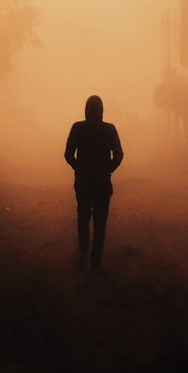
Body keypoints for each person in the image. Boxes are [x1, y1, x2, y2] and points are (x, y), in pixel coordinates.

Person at [64, 94, 123, 270]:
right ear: (102, 111)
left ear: (86, 110)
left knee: (83, 217)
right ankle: (95, 261)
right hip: (102, 182)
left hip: (83, 181)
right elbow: (119, 155)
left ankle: (83, 254)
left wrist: (79, 168)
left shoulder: (77, 128)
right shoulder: (109, 129)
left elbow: (68, 154)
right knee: (100, 221)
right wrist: (107, 170)